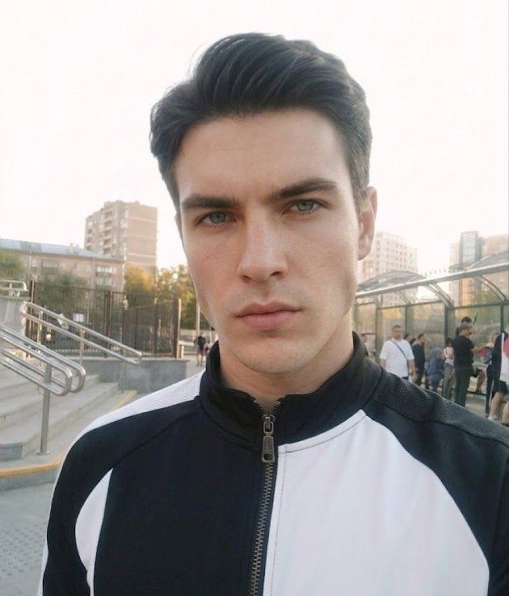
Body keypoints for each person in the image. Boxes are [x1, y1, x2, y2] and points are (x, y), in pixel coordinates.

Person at [39, 33, 509, 595]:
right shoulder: (100, 462)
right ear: (184, 237)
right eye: (216, 217)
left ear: (363, 224)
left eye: (303, 205)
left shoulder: (489, 483)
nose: (260, 262)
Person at [452, 321, 479, 407]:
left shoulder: (455, 340)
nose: (469, 331)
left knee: (458, 386)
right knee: (463, 387)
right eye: (468, 329)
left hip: (457, 366)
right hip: (466, 367)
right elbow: (474, 350)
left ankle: (456, 404)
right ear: (463, 330)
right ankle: (461, 406)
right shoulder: (467, 341)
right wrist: (484, 347)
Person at [489, 328, 509, 422]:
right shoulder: (504, 337)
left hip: (500, 370)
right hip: (502, 371)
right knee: (499, 393)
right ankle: (493, 415)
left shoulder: (502, 337)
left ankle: (495, 414)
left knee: (500, 393)